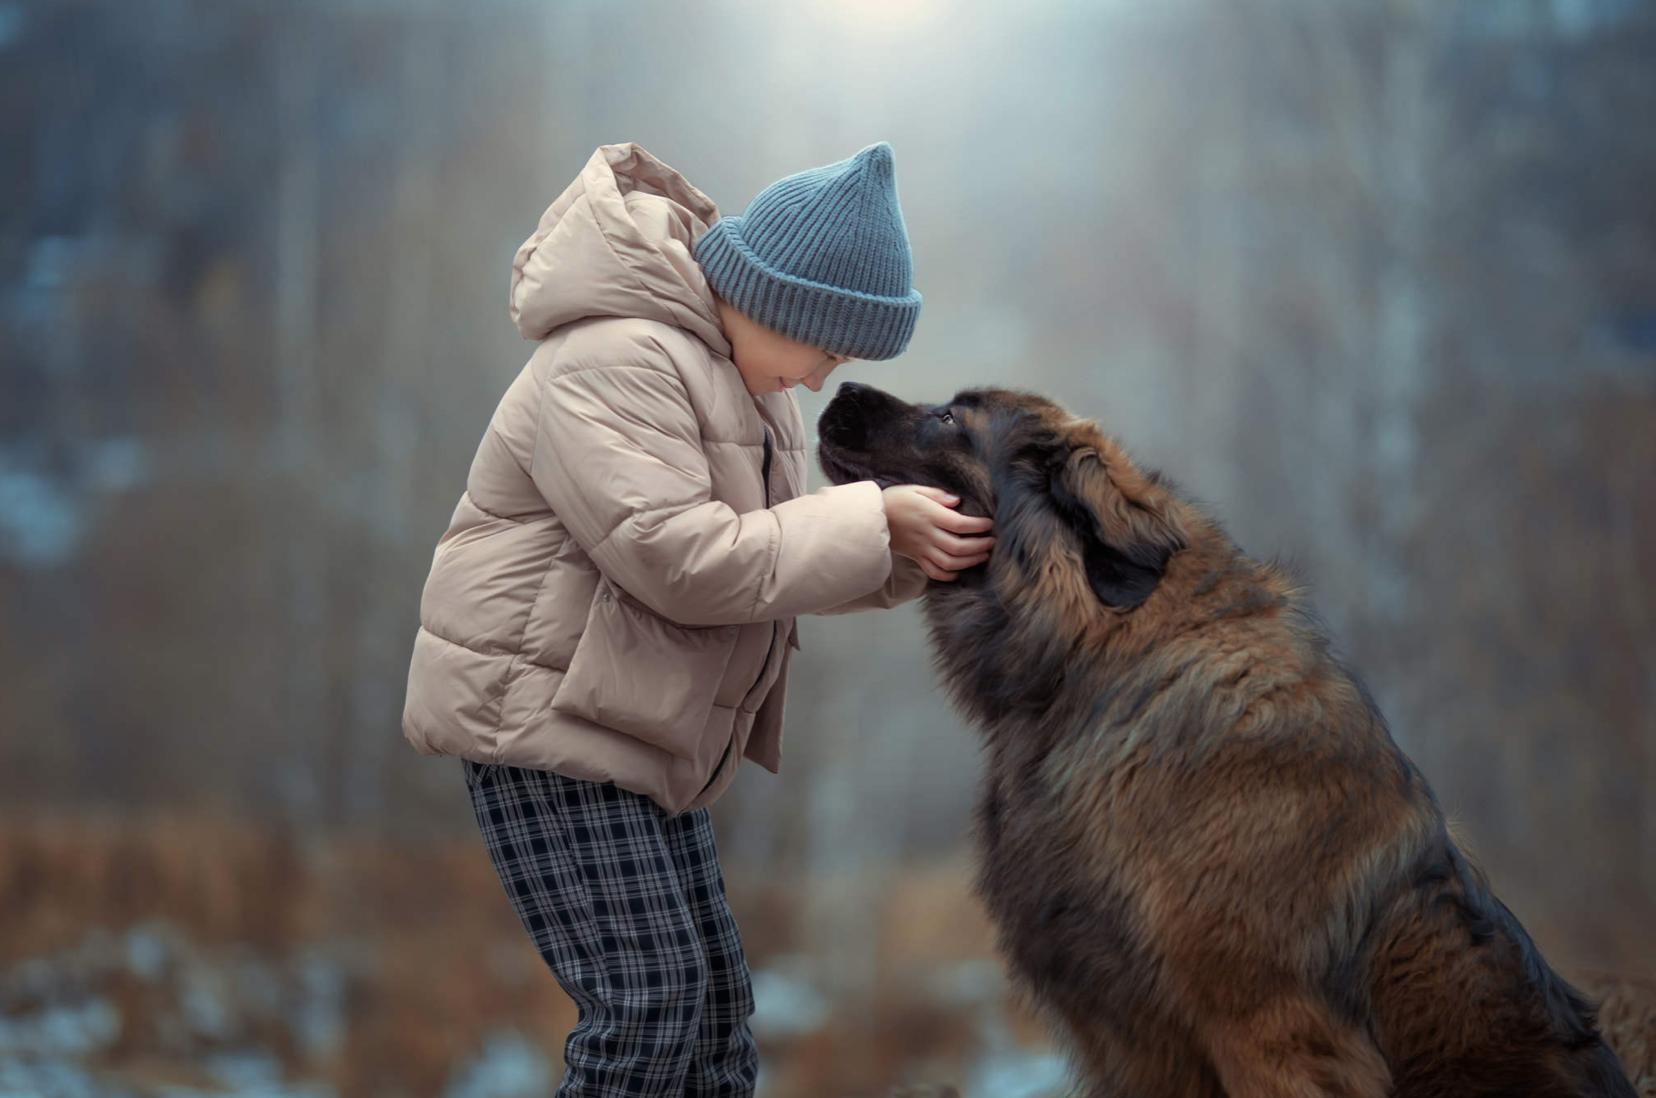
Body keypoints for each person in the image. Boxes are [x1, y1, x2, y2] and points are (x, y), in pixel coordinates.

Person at [400, 140, 993, 1096]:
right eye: (827, 346)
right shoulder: (614, 357)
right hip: (544, 728)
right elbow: (681, 561)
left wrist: (898, 552)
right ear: (782, 301)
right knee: (650, 1006)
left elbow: (764, 560)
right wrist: (867, 519)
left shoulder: (745, 386)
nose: (818, 380)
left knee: (714, 1017)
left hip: (631, 728)